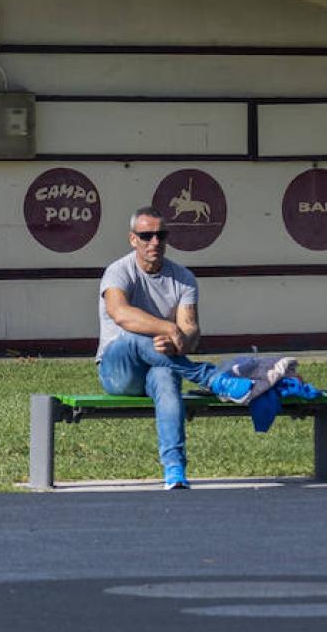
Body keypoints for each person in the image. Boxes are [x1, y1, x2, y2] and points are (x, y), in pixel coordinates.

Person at [96, 206, 255, 490]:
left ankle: (174, 468)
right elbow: (120, 314)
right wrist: (169, 329)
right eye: (146, 236)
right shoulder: (117, 272)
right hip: (118, 371)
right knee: (132, 338)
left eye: (161, 235)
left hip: (161, 363)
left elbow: (191, 329)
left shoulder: (183, 278)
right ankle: (211, 378)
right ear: (133, 239)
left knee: (167, 380)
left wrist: (180, 339)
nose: (154, 242)